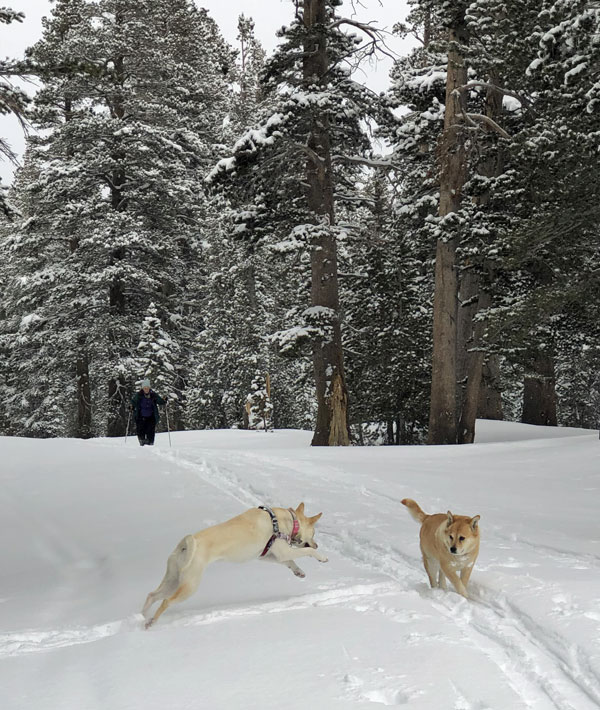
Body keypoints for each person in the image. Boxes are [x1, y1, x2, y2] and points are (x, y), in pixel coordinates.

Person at [131, 379, 166, 446]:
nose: (146, 389)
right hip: (141, 416)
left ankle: (150, 443)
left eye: (147, 388)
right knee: (141, 430)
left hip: (151, 416)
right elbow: (133, 402)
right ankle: (142, 441)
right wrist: (131, 407)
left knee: (150, 431)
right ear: (142, 388)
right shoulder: (139, 395)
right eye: (145, 388)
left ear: (149, 388)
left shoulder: (153, 395)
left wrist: (164, 400)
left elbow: (160, 401)